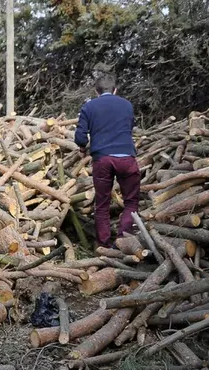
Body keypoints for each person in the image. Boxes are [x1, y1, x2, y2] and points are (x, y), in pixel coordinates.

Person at [74, 74, 140, 248]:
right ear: (115, 90)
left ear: (96, 91)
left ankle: (103, 246)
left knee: (102, 204)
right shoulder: (127, 105)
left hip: (102, 159)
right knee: (131, 202)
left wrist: (82, 148)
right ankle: (123, 241)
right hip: (126, 158)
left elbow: (80, 136)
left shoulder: (89, 107)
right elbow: (129, 127)